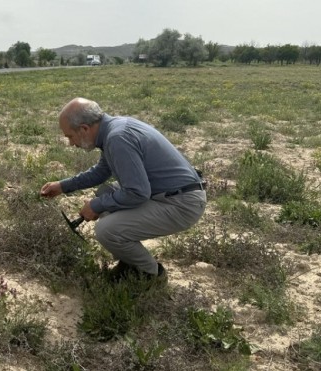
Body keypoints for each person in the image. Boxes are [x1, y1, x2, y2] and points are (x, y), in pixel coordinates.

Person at [40, 98, 206, 283]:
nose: (71, 144)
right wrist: (63, 186)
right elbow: (101, 172)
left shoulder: (117, 138)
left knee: (106, 229)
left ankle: (151, 274)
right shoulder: (113, 130)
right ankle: (129, 261)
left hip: (182, 203)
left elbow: (137, 192)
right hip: (170, 193)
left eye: (70, 136)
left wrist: (96, 205)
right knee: (106, 193)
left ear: (84, 128)